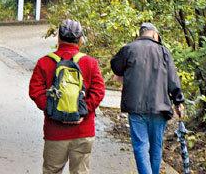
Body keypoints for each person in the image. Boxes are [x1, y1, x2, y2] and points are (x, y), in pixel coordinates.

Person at [28, 19, 107, 174]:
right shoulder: (90, 63)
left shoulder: (44, 62)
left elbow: (35, 91)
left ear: (58, 38)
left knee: (52, 171)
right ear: (80, 39)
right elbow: (99, 91)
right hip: (83, 131)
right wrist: (83, 111)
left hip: (55, 132)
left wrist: (53, 110)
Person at [110, 23, 185, 174]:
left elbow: (116, 67)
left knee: (140, 146)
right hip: (160, 108)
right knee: (156, 148)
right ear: (155, 34)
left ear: (141, 34)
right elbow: (173, 79)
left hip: (136, 108)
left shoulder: (128, 49)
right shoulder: (164, 51)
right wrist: (178, 102)